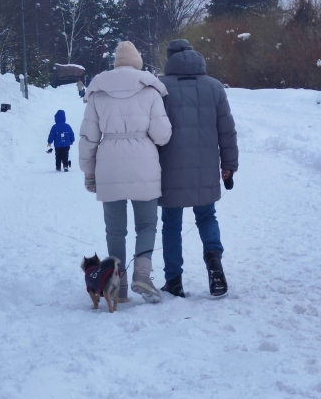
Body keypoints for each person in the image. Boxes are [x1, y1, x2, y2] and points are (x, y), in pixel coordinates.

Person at [79, 41, 172, 303]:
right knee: (146, 224)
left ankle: (115, 285)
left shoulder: (98, 92)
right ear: (138, 63)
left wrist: (89, 172)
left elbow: (88, 138)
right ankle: (143, 274)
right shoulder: (151, 90)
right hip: (144, 163)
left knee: (115, 230)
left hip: (108, 165)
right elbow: (162, 136)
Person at [158, 39, 238, 298]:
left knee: (171, 223)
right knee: (206, 217)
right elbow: (227, 131)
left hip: (170, 169)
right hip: (205, 170)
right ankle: (214, 261)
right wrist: (229, 166)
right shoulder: (214, 87)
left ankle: (174, 281)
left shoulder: (160, 89)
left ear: (169, 59)